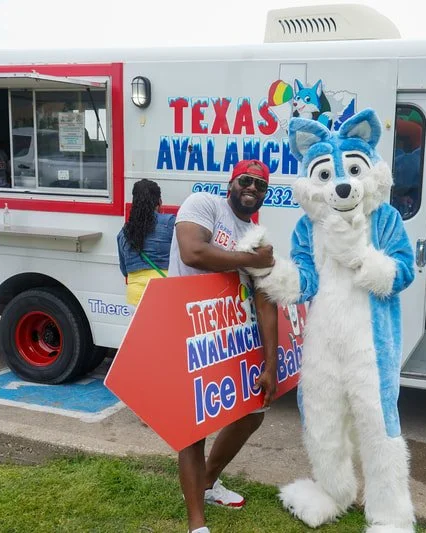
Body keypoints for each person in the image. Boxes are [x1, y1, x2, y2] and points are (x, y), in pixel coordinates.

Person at [168, 159, 278, 533]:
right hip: (187, 329)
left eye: (260, 185)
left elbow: (266, 301)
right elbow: (192, 252)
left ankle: (208, 483)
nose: (252, 188)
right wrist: (253, 260)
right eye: (246, 180)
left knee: (252, 412)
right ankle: (197, 525)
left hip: (229, 333)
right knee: (193, 428)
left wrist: (271, 363)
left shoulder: (256, 236)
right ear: (231, 183)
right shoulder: (204, 204)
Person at [117, 179, 175, 305]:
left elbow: (124, 270)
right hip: (163, 295)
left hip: (134, 299)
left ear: (134, 203)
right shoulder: (169, 223)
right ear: (159, 202)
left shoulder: (123, 233)